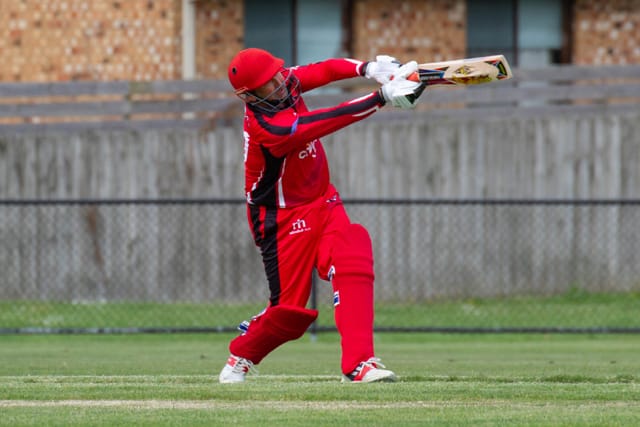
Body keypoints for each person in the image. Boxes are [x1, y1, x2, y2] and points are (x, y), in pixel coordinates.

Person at [219, 47, 425, 384]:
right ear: (249, 96)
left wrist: (369, 69)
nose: (278, 82)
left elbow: (326, 70)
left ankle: (359, 364)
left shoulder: (284, 82)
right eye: (267, 83)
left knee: (353, 250)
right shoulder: (267, 128)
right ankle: (241, 354)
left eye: (276, 73)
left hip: (322, 199)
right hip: (280, 218)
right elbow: (322, 122)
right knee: (289, 315)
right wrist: (382, 97)